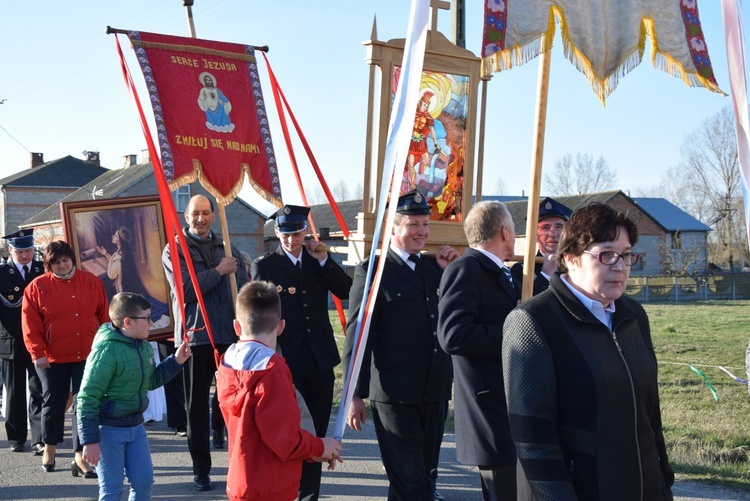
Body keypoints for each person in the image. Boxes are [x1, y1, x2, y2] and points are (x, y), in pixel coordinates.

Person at [502, 202, 675, 500]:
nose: (620, 266)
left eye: (626, 254)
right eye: (606, 255)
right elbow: (533, 438)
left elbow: (649, 412)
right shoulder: (534, 321)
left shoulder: (633, 315)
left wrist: (662, 479)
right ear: (570, 258)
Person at [343, 190, 458, 501]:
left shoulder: (434, 268)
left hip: (433, 388)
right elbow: (358, 333)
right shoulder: (373, 271)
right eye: (413, 224)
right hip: (395, 395)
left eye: (425, 224)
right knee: (409, 480)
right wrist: (354, 393)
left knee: (423, 477)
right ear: (393, 228)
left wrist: (451, 274)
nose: (422, 231)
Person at [250, 203, 352, 501]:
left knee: (317, 433)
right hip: (286, 361)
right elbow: (258, 314)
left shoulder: (315, 259)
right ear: (277, 233)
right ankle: (287, 491)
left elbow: (346, 289)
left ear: (305, 231)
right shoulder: (266, 266)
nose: (290, 240)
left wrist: (324, 260)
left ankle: (310, 495)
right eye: (284, 234)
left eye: (295, 233)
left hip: (319, 360)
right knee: (291, 433)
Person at [217, 281, 342, 501]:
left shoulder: (227, 363)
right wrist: (321, 446)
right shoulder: (272, 371)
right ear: (281, 326)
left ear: (237, 327)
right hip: (272, 486)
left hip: (242, 478)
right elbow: (285, 440)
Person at [162, 194, 248, 491]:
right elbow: (185, 290)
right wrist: (219, 271)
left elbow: (245, 289)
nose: (200, 218)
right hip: (195, 337)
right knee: (195, 404)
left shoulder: (228, 246)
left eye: (205, 213)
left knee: (236, 401)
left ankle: (238, 461)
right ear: (186, 216)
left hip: (230, 335)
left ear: (214, 215)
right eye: (194, 213)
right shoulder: (175, 248)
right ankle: (201, 469)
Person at [437, 201, 520, 500]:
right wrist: (514, 333)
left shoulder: (499, 271)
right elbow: (453, 335)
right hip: (490, 406)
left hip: (510, 403)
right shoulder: (466, 269)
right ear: (505, 232)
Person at [78, 292, 191, 500]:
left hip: (135, 427)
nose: (151, 322)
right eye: (146, 318)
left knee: (144, 482)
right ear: (128, 322)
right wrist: (90, 441)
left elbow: (151, 381)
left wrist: (176, 361)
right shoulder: (106, 351)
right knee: (112, 491)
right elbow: (87, 397)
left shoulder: (143, 345)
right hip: (108, 430)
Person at [22, 240, 110, 476]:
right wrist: (37, 353)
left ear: (72, 260)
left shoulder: (91, 281)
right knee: (54, 401)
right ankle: (49, 446)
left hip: (88, 354)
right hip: (51, 357)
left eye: (65, 261)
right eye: (56, 262)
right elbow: (30, 324)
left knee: (85, 403)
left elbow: (104, 317)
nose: (62, 266)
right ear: (48, 264)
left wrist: (106, 347)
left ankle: (79, 455)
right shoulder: (37, 287)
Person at [0, 230, 44, 454]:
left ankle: (39, 438)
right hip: (11, 342)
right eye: (20, 251)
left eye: (28, 250)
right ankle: (17, 437)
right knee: (14, 392)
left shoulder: (42, 270)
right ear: (11, 251)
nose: (25, 255)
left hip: (39, 341)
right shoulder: (1, 273)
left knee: (39, 390)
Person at [510, 197, 571, 296]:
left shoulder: (577, 265)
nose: (553, 233)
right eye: (545, 227)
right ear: (534, 234)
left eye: (559, 226)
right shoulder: (521, 270)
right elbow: (524, 306)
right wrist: (546, 274)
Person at [405, 91, 441, 189]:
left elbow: (432, 130)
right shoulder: (411, 112)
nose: (424, 107)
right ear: (420, 102)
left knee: (426, 160)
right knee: (411, 163)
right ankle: (412, 184)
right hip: (412, 142)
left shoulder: (427, 116)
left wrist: (435, 143)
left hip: (421, 143)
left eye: (426, 106)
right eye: (424, 104)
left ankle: (420, 174)